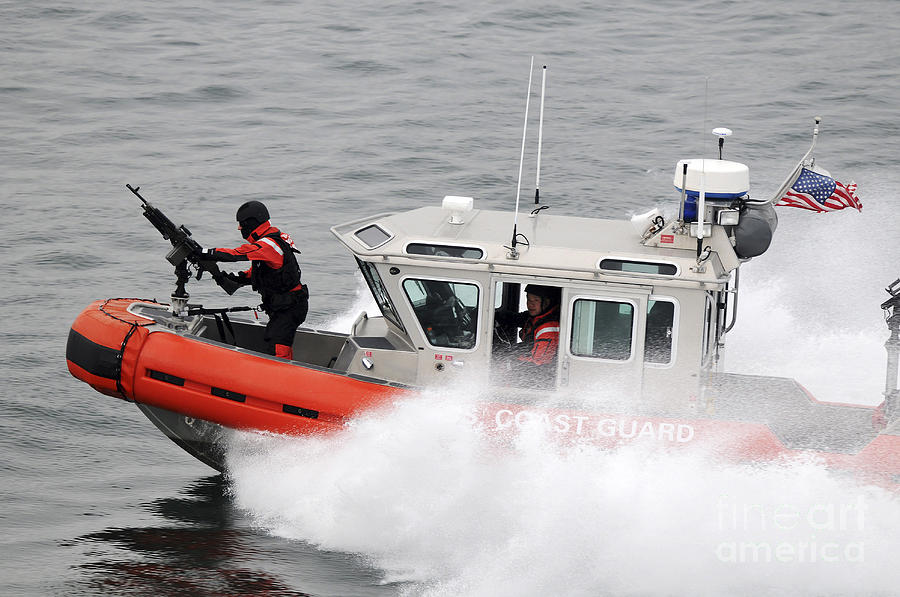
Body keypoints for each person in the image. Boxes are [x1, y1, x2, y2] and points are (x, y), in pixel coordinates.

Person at [199, 200, 308, 360]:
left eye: (241, 224)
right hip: (284, 306)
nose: (239, 228)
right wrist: (225, 277)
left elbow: (236, 254)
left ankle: (282, 378)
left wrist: (205, 252)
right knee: (275, 341)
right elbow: (256, 274)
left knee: (277, 347)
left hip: (290, 308)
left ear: (252, 223)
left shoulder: (269, 244)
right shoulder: (269, 241)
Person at [495, 284, 561, 373]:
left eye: (536, 300)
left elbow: (538, 363)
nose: (531, 304)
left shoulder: (549, 328)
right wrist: (494, 315)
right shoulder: (537, 316)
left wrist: (509, 363)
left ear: (547, 302)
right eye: (529, 299)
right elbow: (515, 318)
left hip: (539, 376)